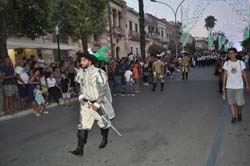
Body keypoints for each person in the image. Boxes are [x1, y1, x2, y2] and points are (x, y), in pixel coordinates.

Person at [70, 51, 115, 157]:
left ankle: (104, 139)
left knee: (103, 124)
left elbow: (103, 91)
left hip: (98, 104)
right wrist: (81, 97)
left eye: (83, 60)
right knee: (82, 126)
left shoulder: (99, 73)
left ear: (90, 61)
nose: (81, 62)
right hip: (86, 104)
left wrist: (97, 104)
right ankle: (80, 149)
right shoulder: (81, 73)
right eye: (80, 60)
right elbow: (80, 88)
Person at [222, 47, 249, 123]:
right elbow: (225, 75)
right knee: (231, 102)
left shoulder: (241, 63)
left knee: (240, 103)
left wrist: (247, 84)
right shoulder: (226, 63)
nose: (231, 55)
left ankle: (239, 112)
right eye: (229, 53)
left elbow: (244, 74)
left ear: (236, 54)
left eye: (232, 53)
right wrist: (223, 86)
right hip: (229, 86)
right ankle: (234, 117)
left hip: (239, 86)